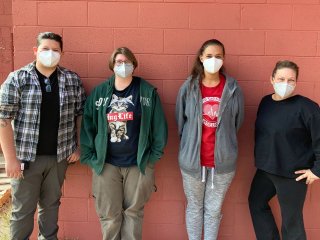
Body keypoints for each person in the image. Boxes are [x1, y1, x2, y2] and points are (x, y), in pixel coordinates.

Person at [0, 32, 86, 239]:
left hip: (58, 158)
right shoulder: (18, 79)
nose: (50, 54)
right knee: (23, 211)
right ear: (35, 51)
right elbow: (3, 119)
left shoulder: (71, 80)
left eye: (55, 50)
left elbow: (82, 115)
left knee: (51, 207)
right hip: (26, 159)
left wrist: (79, 146)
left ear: (62, 53)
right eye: (45, 49)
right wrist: (10, 159)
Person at [80, 47, 168, 240]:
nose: (123, 66)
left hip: (138, 164)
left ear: (134, 65)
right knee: (110, 216)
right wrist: (90, 157)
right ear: (112, 65)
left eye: (127, 62)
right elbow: (88, 125)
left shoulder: (146, 92)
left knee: (133, 213)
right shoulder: (100, 93)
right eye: (119, 62)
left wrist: (152, 158)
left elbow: (159, 127)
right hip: (106, 164)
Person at [175, 39, 244, 240]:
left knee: (213, 210)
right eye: (209, 56)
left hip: (222, 164)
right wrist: (190, 145)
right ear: (201, 58)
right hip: (192, 162)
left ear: (224, 59)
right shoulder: (188, 87)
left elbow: (237, 122)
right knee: (194, 208)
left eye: (218, 56)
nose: (214, 60)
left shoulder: (232, 89)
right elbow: (181, 121)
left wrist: (225, 144)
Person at [248, 60, 320, 240]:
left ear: (296, 82)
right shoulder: (265, 102)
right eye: (281, 79)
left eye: (291, 80)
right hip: (265, 170)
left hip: (292, 175)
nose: (285, 84)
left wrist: (317, 170)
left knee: (291, 222)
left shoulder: (307, 108)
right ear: (271, 79)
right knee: (256, 203)